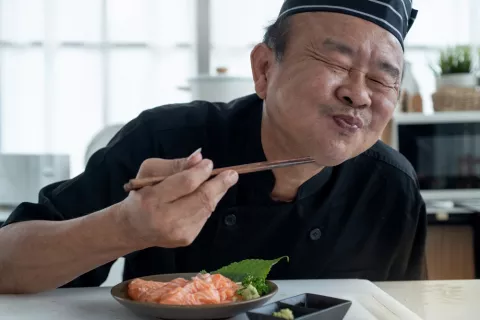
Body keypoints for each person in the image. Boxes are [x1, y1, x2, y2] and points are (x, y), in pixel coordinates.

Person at [0, 0, 426, 294]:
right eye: (336, 62)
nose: (359, 94)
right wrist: (125, 228)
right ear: (264, 69)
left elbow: (403, 310)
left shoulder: (391, 187)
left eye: (380, 77)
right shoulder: (166, 138)